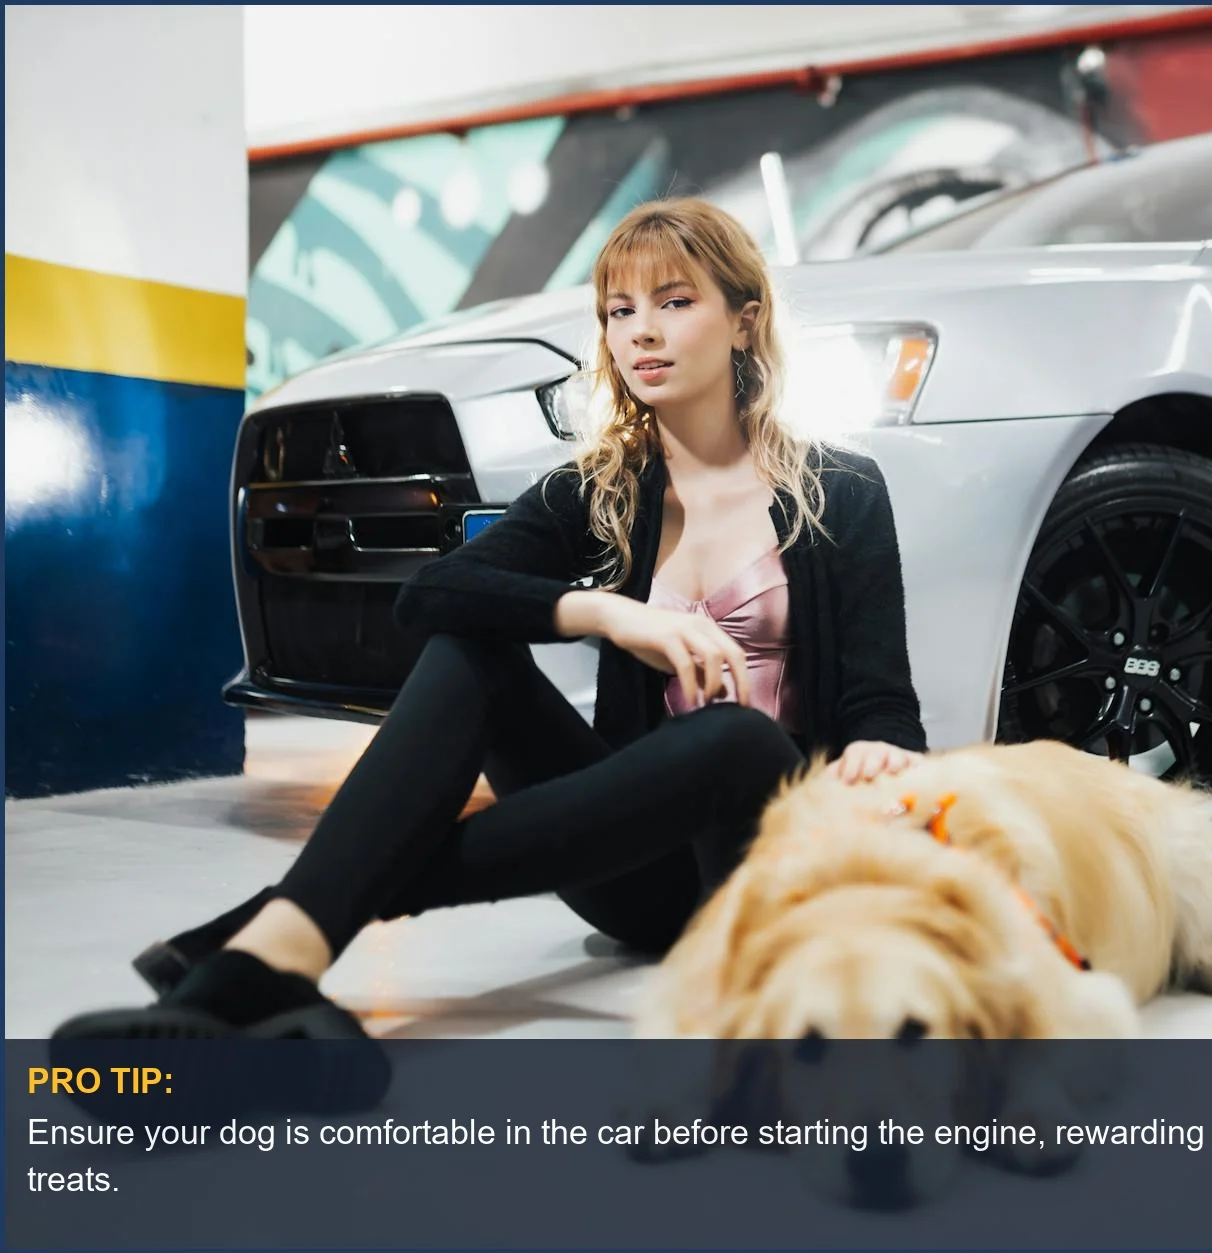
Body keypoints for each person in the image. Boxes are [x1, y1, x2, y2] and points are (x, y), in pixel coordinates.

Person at [53, 197, 928, 1049]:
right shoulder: (598, 489)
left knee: (735, 740)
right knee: (469, 649)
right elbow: (431, 594)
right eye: (620, 312)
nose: (642, 334)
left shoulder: (840, 492)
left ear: (745, 320)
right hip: (635, 875)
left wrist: (876, 752)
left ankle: (266, 940)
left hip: (773, 864)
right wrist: (607, 613)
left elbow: (885, 708)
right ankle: (277, 967)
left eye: (674, 302)